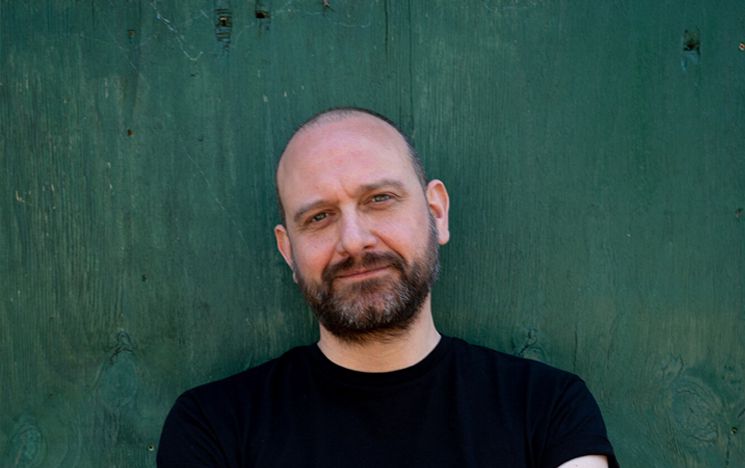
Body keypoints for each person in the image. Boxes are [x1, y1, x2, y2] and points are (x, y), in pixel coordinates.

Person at [157, 107, 619, 468]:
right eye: (319, 217)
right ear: (288, 251)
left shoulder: (546, 408)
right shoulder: (214, 425)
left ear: (436, 213)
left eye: (380, 200)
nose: (354, 240)